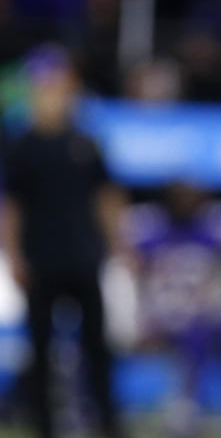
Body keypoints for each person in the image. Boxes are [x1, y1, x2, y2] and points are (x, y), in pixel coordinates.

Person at [0, 45, 125, 438]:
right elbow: (12, 206)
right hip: (40, 262)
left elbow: (106, 197)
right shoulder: (23, 146)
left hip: (85, 258)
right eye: (47, 87)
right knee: (40, 349)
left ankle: (107, 421)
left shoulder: (86, 143)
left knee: (97, 348)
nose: (54, 94)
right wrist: (14, 256)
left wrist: (120, 246)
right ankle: (44, 425)